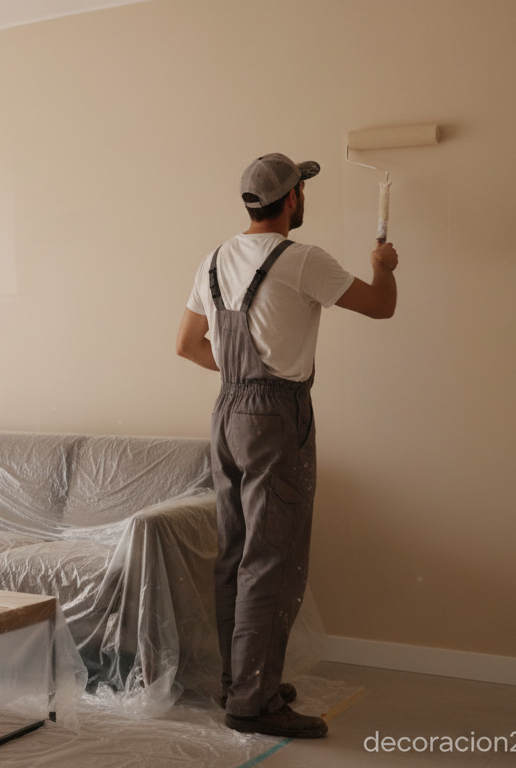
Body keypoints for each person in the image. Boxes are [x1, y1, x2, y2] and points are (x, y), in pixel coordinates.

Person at [175, 153, 398, 739]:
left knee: (237, 553)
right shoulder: (302, 261)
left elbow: (185, 344)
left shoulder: (214, 259)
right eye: (302, 188)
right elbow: (382, 305)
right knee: (272, 559)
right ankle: (253, 702)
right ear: (293, 199)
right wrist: (385, 266)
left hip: (227, 412)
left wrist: (239, 381)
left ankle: (242, 679)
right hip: (275, 417)